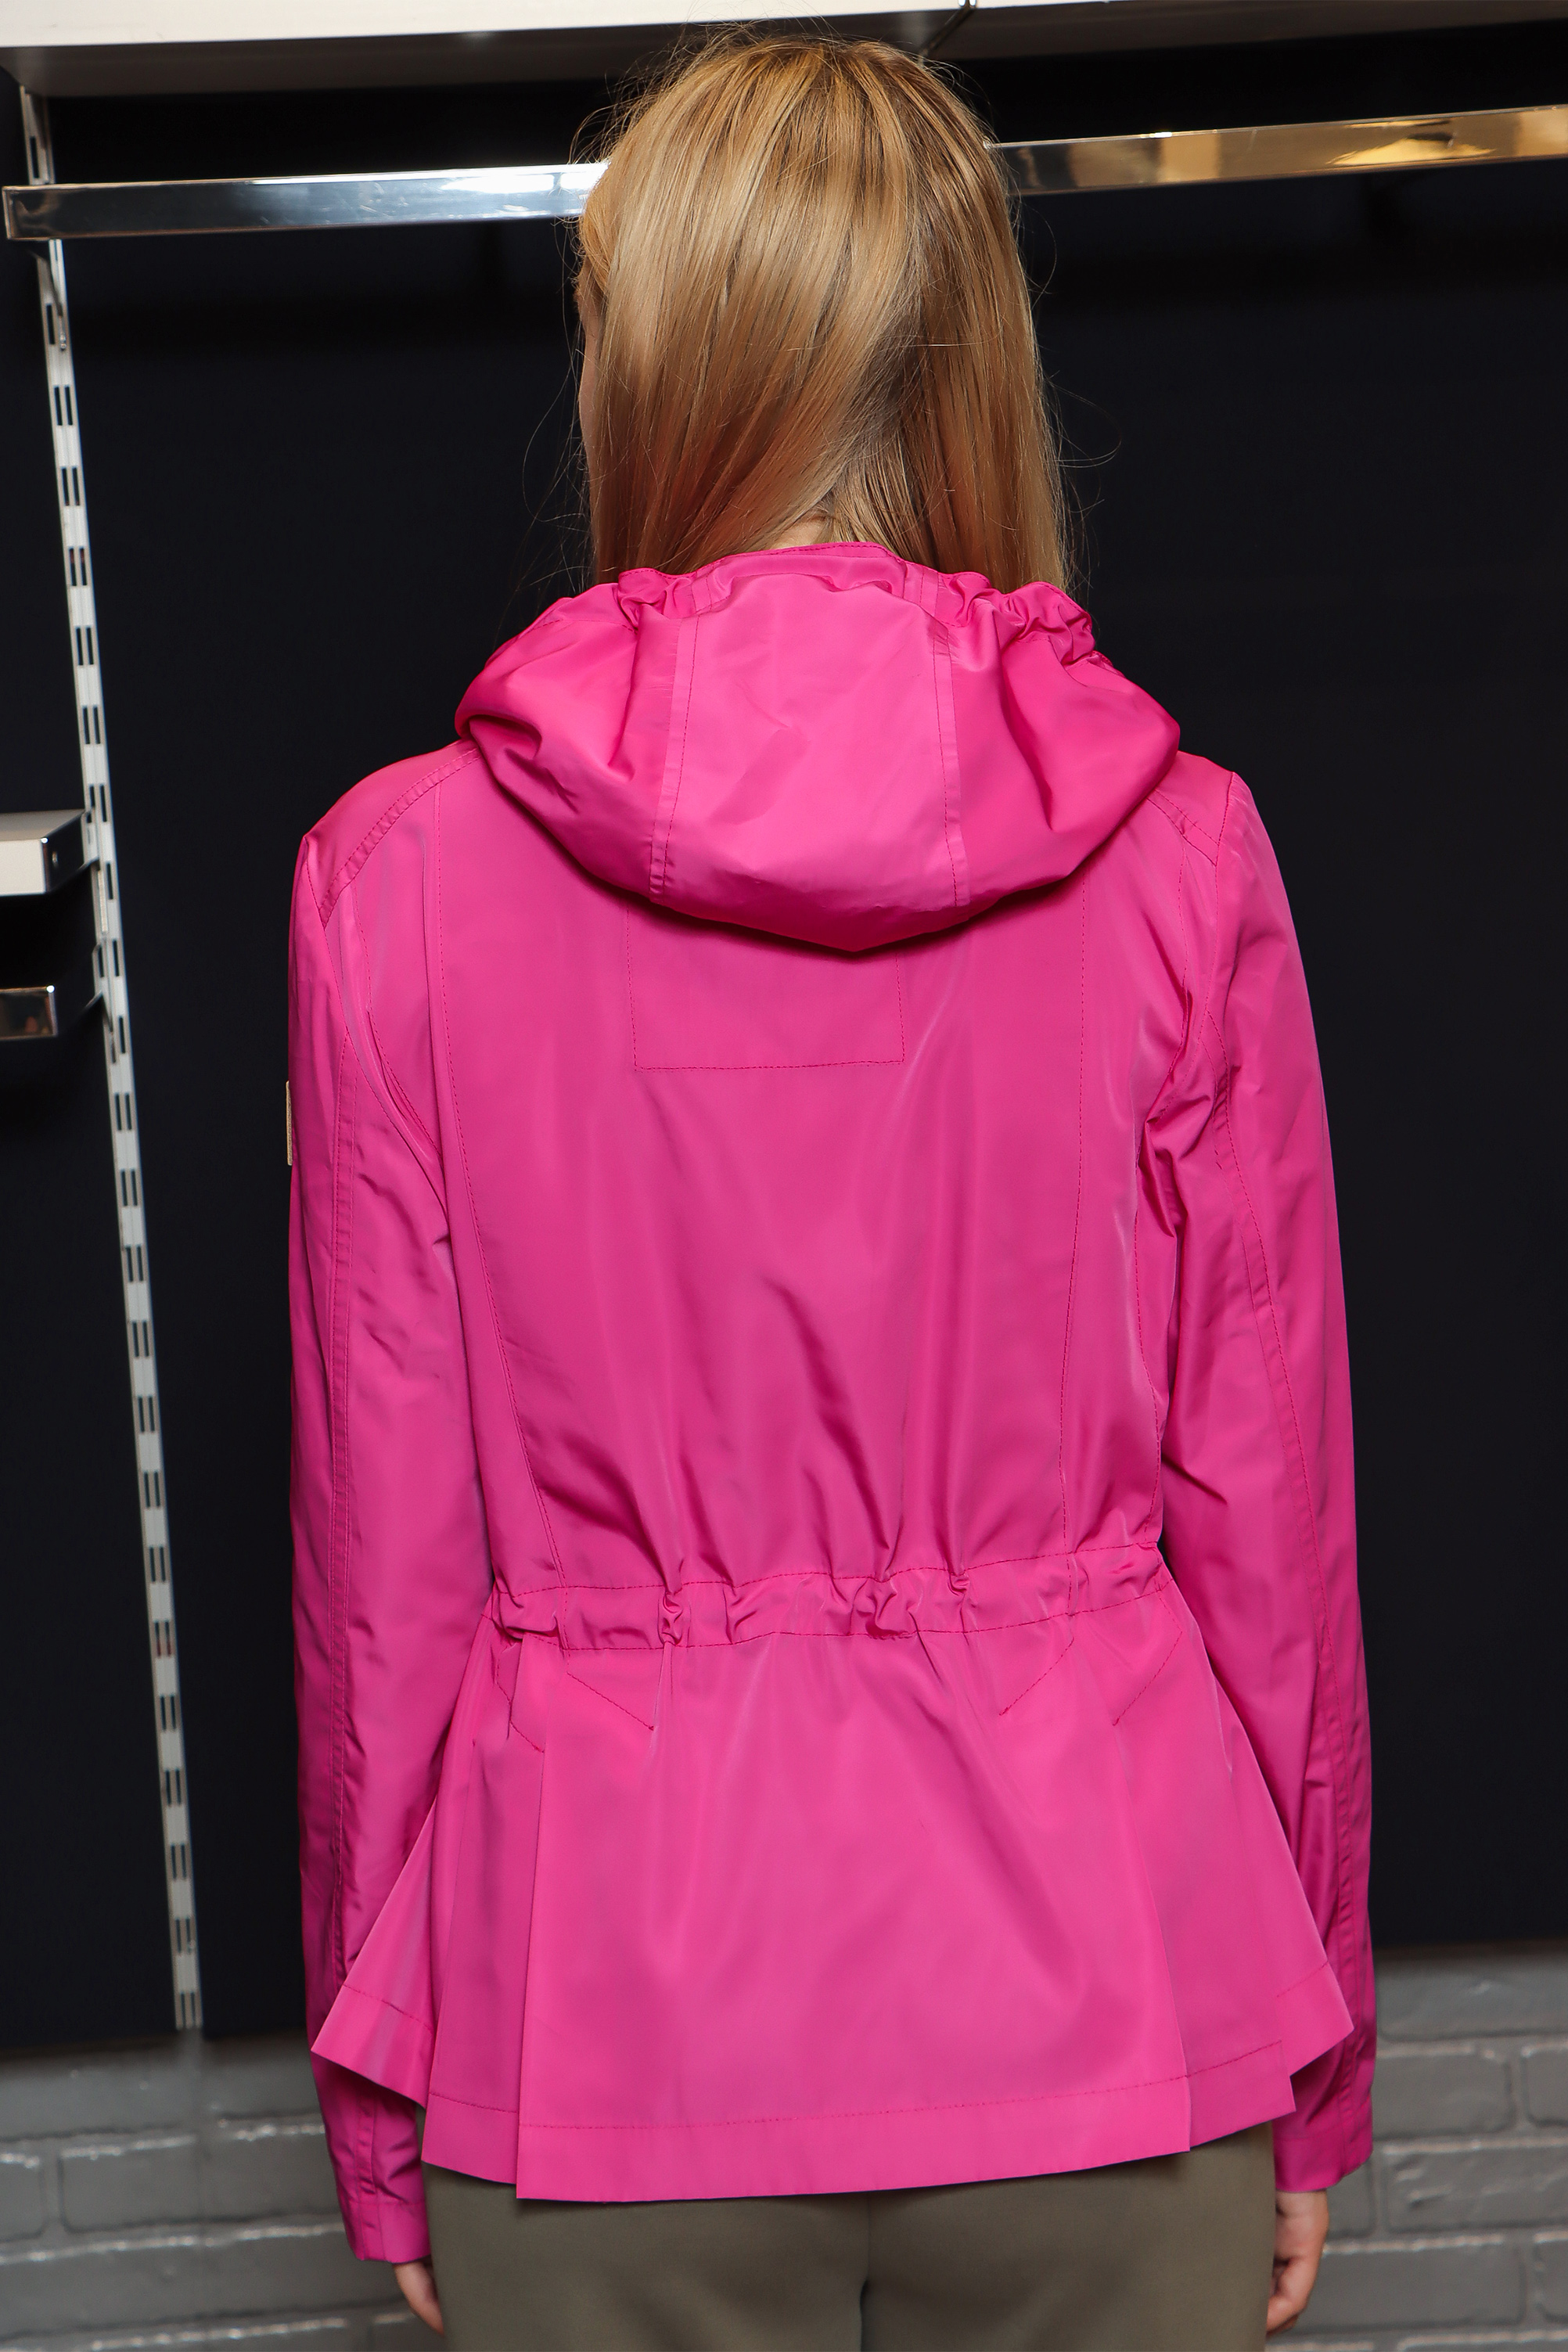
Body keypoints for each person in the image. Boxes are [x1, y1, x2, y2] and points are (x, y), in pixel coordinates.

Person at [288, 34, 1372, 2349]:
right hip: (1114, 1988)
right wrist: (1314, 2073)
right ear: (978, 358)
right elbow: (1268, 1523)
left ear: (640, 355)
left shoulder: (394, 882)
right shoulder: (1185, 857)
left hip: (599, 2033)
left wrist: (380, 2117)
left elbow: (382, 1582)